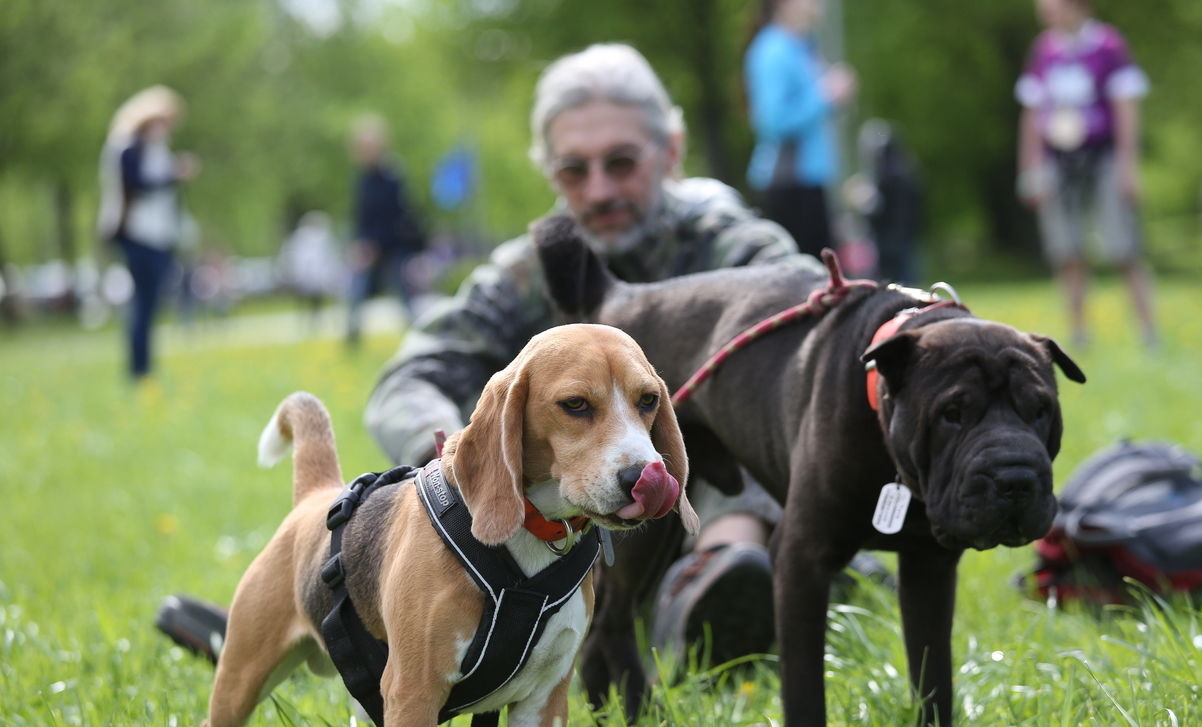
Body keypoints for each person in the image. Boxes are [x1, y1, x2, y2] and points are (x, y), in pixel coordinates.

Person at [157, 44, 814, 669]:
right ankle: (310, 622)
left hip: (725, 515)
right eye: (573, 170)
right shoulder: (526, 273)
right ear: (548, 171)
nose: (598, 189)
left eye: (622, 163)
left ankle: (723, 581)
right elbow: (412, 375)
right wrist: (465, 464)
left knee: (744, 403)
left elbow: (816, 324)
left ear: (670, 152)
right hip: (558, 535)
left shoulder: (736, 251)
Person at [1015, 0, 1157, 348]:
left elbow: (1126, 106)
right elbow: (1032, 114)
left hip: (1102, 155)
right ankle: (1079, 333)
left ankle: (1147, 331)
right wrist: (1029, 168)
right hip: (1058, 161)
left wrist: (1127, 166)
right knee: (1068, 251)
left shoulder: (1108, 45)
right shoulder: (1044, 50)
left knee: (1124, 246)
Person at [97, 85, 200, 379]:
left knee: (150, 302)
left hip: (158, 235)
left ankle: (144, 367)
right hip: (136, 233)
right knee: (143, 301)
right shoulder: (127, 146)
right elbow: (139, 184)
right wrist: (174, 174)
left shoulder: (154, 148)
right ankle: (139, 369)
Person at [744, 0, 856, 259]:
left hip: (808, 182)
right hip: (789, 185)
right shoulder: (773, 48)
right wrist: (826, 96)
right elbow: (772, 121)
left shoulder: (801, 47)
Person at [346, 115, 425, 346]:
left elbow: (397, 217)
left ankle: (420, 337)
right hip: (369, 249)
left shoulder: (392, 176)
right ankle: (352, 341)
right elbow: (361, 218)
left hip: (393, 247)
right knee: (355, 294)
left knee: (404, 298)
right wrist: (360, 244)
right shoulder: (363, 179)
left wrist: (375, 245)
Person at [848, 118, 923, 284]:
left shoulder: (888, 175)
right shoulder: (905, 169)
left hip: (892, 236)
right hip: (902, 235)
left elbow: (880, 207)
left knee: (897, 276)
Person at [277, 210, 344, 329]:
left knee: (313, 301)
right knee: (311, 301)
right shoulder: (309, 238)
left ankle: (311, 322)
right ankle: (310, 323)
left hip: (313, 275)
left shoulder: (313, 237)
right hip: (310, 275)